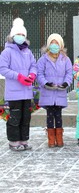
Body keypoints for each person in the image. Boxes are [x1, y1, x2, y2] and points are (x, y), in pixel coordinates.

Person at [0, 18, 37, 151]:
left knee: (25, 117)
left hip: (26, 91)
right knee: (15, 117)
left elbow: (34, 65)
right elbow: (3, 68)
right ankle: (13, 141)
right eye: (18, 34)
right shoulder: (7, 52)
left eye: (23, 35)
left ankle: (24, 140)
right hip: (14, 92)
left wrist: (32, 74)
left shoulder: (28, 51)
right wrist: (18, 76)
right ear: (12, 36)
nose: (21, 37)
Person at [37, 33, 72, 148]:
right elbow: (39, 73)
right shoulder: (43, 59)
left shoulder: (65, 59)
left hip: (60, 92)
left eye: (56, 43)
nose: (54, 45)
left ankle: (59, 137)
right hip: (48, 92)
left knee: (58, 115)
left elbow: (69, 73)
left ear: (61, 45)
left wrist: (66, 83)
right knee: (49, 115)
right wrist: (45, 83)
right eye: (52, 43)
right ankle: (51, 138)